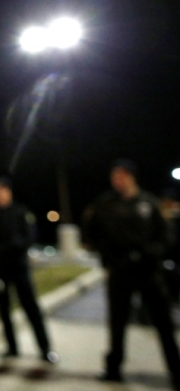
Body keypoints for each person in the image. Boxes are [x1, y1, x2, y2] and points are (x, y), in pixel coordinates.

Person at [82, 159, 180, 387]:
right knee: (117, 323)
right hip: (119, 270)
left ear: (131, 177)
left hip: (148, 271)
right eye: (114, 176)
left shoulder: (149, 203)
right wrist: (106, 255)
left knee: (163, 323)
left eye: (121, 176)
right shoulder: (105, 204)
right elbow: (90, 233)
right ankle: (113, 368)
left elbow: (166, 236)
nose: (117, 180)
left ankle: (176, 371)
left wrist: (151, 253)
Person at [0, 177, 58, 363]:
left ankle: (45, 348)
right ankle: (11, 347)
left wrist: (12, 246)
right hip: (1, 269)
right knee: (3, 310)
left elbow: (29, 236)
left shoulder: (20, 211)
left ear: (9, 192)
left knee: (31, 308)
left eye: (2, 190)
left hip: (19, 267)